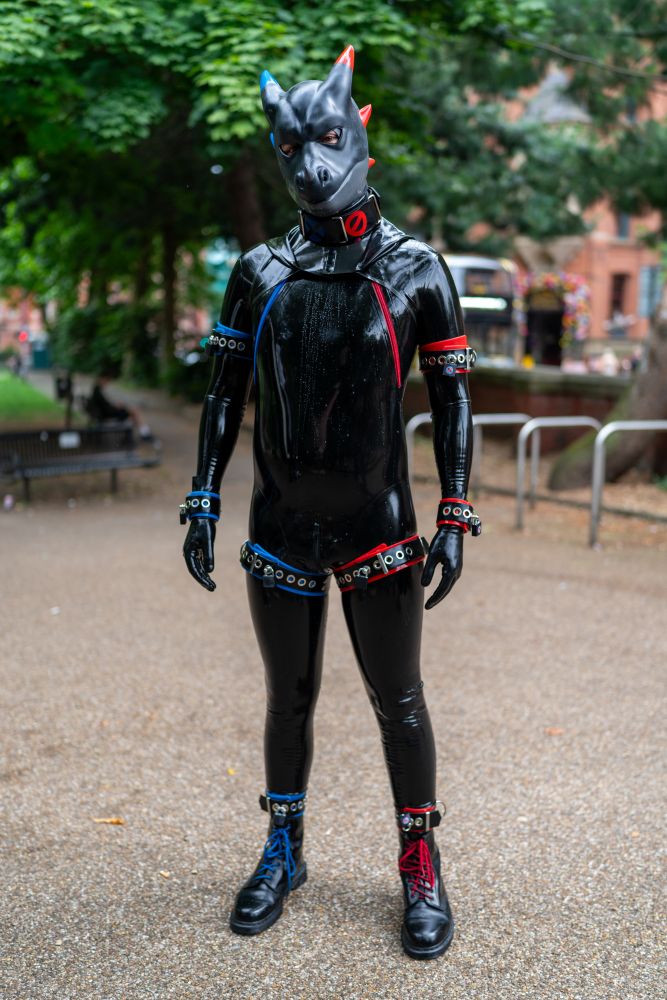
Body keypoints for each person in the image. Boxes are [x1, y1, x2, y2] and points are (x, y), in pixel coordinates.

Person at [180, 46, 479, 960]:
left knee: (399, 699)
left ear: (357, 133)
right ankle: (283, 847)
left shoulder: (417, 270)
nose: (311, 164)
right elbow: (224, 390)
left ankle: (419, 858)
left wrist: (454, 512)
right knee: (288, 699)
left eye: (327, 139)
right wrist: (202, 495)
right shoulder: (259, 270)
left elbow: (453, 397)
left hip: (377, 524)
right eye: (291, 147)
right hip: (279, 524)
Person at [87, 373, 152, 439]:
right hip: (107, 414)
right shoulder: (97, 391)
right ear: (101, 379)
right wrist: (116, 407)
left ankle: (142, 432)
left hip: (105, 413)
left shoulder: (97, 390)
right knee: (134, 412)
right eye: (106, 380)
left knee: (132, 411)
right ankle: (144, 433)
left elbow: (104, 404)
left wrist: (115, 405)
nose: (106, 383)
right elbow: (105, 407)